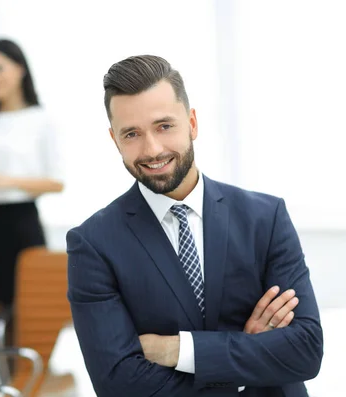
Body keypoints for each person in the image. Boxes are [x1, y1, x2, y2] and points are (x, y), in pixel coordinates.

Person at [66, 55, 323, 396]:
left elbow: (305, 351)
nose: (152, 149)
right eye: (132, 134)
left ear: (192, 123)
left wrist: (177, 350)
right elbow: (118, 384)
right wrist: (245, 364)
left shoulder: (265, 217)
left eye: (164, 126)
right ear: (115, 140)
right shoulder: (93, 244)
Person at [0, 39, 64, 379]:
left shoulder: (40, 120)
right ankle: (6, 385)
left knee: (28, 317)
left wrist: (7, 180)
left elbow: (56, 181)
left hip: (20, 222)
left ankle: (29, 383)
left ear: (20, 68)